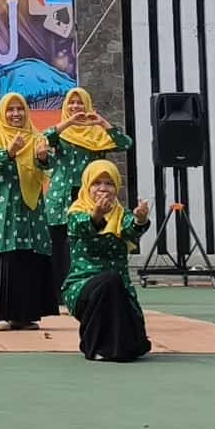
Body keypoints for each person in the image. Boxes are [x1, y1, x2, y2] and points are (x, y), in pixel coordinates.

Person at [36, 88, 132, 302]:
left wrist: (101, 122)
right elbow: (42, 140)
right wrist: (69, 123)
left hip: (90, 198)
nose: (76, 107)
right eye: (72, 103)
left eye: (80, 103)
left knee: (87, 241)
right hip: (60, 196)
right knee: (59, 243)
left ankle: (87, 291)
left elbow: (126, 143)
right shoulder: (61, 134)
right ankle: (56, 295)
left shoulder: (98, 134)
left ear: (88, 105)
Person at [62, 160, 154, 362]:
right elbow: (83, 228)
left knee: (136, 346)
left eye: (109, 183)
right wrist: (97, 214)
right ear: (87, 186)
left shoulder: (121, 214)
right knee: (109, 281)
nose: (103, 188)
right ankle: (94, 347)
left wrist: (140, 219)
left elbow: (132, 229)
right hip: (82, 287)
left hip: (120, 290)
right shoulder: (76, 213)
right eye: (97, 183)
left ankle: (115, 347)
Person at [0, 93, 56, 331]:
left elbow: (48, 165)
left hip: (31, 206)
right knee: (7, 255)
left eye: (20, 109)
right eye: (11, 110)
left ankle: (25, 315)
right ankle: (0, 314)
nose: (16, 114)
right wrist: (10, 151)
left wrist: (43, 157)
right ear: (3, 113)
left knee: (28, 257)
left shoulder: (36, 136)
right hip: (5, 207)